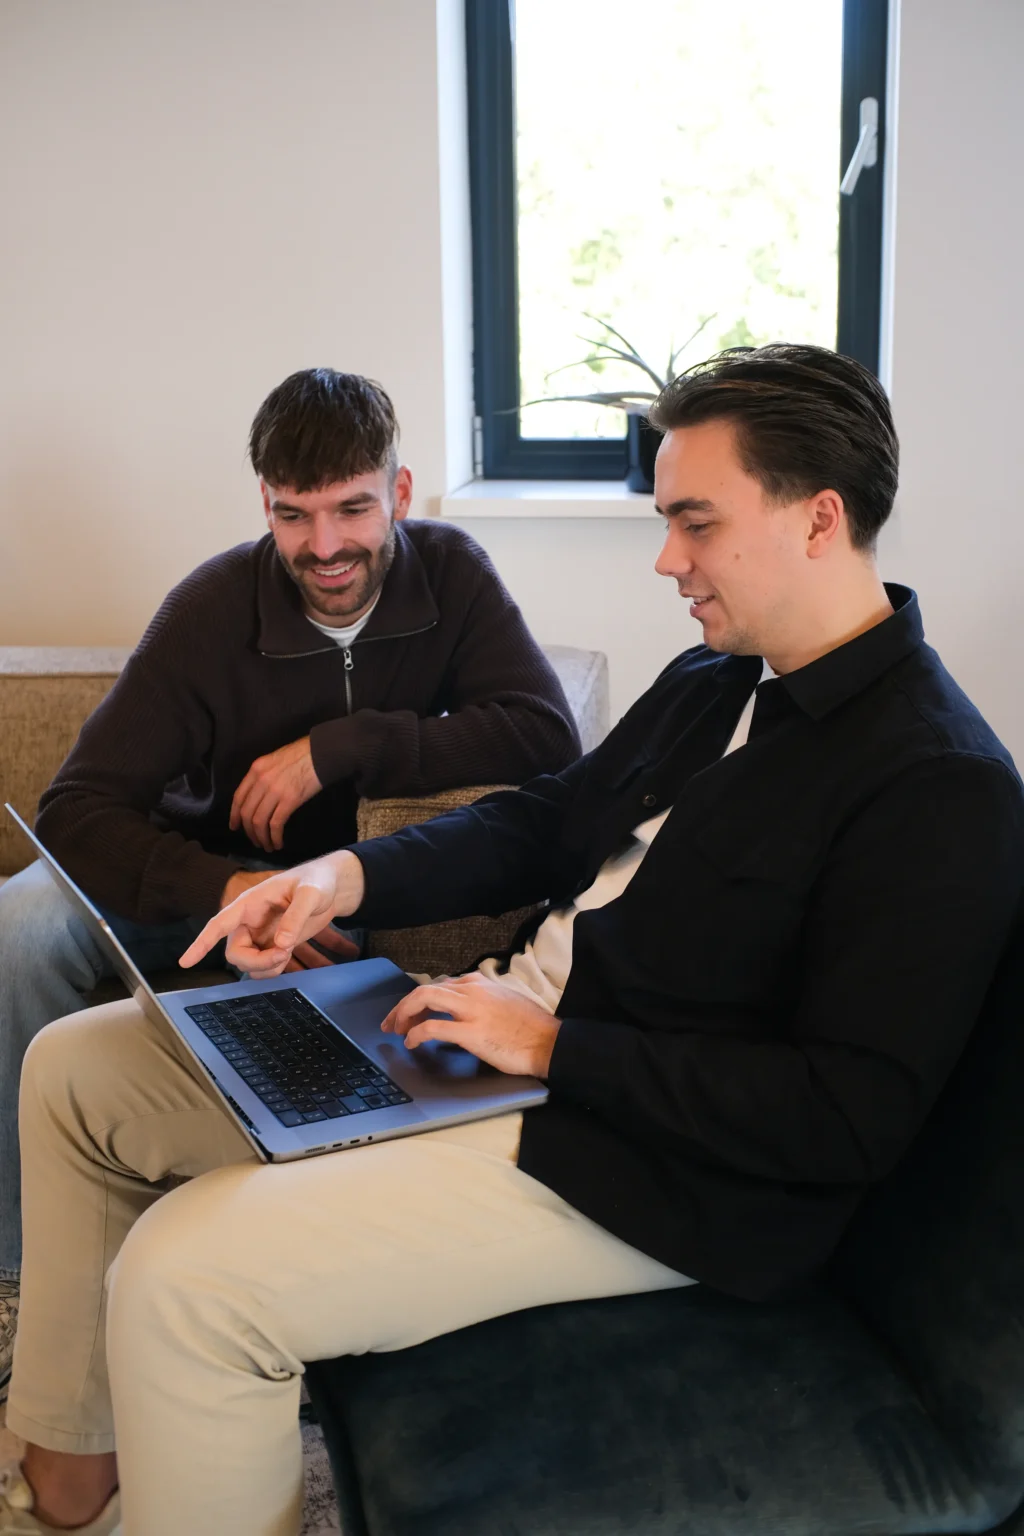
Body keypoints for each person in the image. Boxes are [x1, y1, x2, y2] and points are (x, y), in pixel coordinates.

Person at [4, 344, 1022, 1536]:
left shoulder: (936, 783)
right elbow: (546, 817)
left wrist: (545, 1048)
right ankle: (67, 1486)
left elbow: (843, 1117)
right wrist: (339, 876)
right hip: (493, 1047)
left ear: (818, 518)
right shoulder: (716, 679)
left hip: (640, 1165)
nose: (665, 559)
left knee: (187, 1279)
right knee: (76, 1069)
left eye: (693, 522)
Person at [0, 368, 580, 1387]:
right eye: (293, 515)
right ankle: (24, 1273)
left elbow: (545, 734)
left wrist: (341, 747)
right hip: (207, 882)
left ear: (399, 493)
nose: (324, 546)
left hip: (371, 889)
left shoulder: (453, 574)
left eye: (353, 508)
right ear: (264, 503)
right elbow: (75, 809)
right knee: (16, 928)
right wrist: (230, 892)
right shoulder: (210, 607)